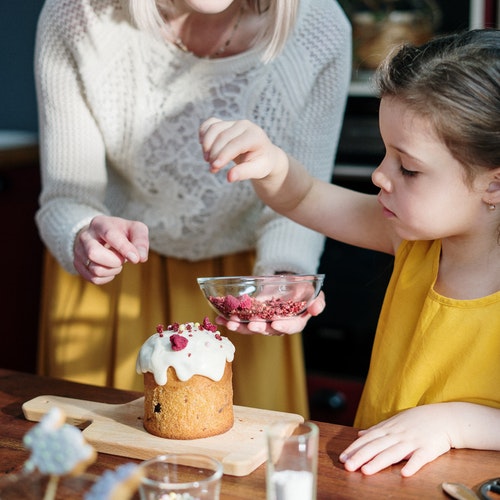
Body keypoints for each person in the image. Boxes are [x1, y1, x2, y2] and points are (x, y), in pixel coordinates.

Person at [199, 29, 500, 476]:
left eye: (409, 168)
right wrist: (269, 162)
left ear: (494, 182)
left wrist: (453, 423)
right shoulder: (413, 241)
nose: (380, 175)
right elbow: (303, 199)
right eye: (385, 154)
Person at [34, 0, 351, 416]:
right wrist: (81, 234)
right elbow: (65, 198)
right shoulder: (77, 15)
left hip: (244, 287)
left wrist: (284, 278)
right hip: (111, 283)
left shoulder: (320, 26)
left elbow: (302, 197)